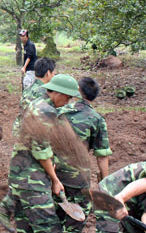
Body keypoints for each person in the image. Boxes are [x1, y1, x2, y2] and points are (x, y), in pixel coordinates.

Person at [0, 74, 81, 233]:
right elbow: (41, 152)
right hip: (32, 177)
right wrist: (55, 179)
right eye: (68, 98)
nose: (68, 102)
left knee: (24, 225)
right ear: (59, 93)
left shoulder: (38, 103)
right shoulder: (45, 111)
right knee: (48, 226)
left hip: (20, 172)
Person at [55, 77, 112, 232]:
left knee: (54, 216)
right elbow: (102, 155)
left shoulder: (59, 112)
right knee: (77, 218)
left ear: (76, 92)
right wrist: (104, 183)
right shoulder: (96, 118)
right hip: (78, 178)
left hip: (53, 174)